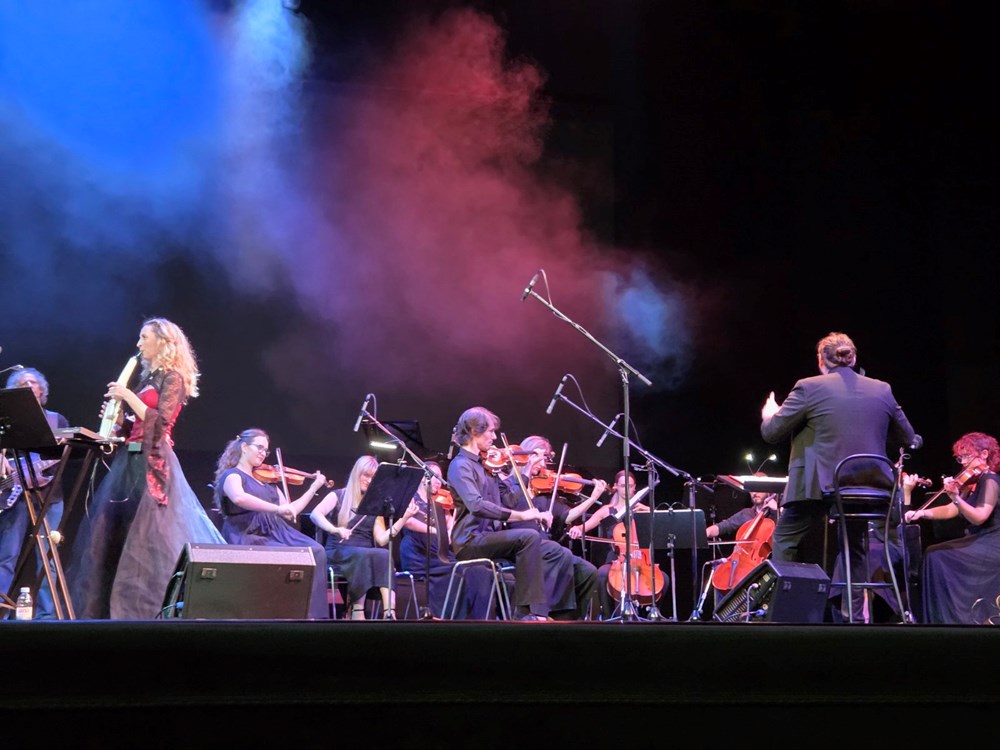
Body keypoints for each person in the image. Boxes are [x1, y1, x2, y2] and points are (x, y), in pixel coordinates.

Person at [67, 318, 226, 620]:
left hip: (154, 461)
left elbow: (160, 422)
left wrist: (127, 396)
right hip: (131, 458)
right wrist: (119, 420)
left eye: (144, 337)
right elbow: (138, 425)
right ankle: (108, 608)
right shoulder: (148, 379)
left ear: (163, 341)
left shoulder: (173, 378)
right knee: (118, 528)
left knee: (149, 536)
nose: (139, 344)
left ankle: (146, 609)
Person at [761, 331, 918, 621]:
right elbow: (910, 438)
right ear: (853, 358)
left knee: (785, 538)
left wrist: (771, 413)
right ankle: (854, 617)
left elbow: (772, 433)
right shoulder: (882, 389)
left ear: (821, 361)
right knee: (854, 544)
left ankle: (784, 616)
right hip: (868, 487)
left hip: (819, 484)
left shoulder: (808, 387)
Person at [446, 407, 553, 621]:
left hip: (488, 538)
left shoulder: (485, 466)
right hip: (470, 540)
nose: (494, 437)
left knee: (546, 548)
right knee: (529, 537)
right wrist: (523, 516)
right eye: (491, 431)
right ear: (475, 431)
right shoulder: (460, 466)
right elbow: (477, 506)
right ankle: (527, 613)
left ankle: (540, 611)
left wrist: (518, 472)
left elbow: (509, 500)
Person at [213, 428, 331, 619]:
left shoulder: (269, 484)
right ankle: (276, 612)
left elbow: (291, 511)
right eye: (259, 447)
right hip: (248, 533)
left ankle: (311, 616)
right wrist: (276, 509)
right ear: (244, 447)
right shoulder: (233, 475)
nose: (263, 453)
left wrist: (313, 487)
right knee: (281, 557)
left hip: (277, 532)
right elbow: (239, 498)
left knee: (316, 551)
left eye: (265, 450)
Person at [902, 431, 1000, 624]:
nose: (963, 463)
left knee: (937, 557)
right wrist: (922, 513)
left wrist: (955, 497)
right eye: (960, 458)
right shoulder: (971, 483)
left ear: (984, 454)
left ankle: (952, 619)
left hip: (993, 542)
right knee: (932, 553)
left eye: (967, 456)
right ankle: (941, 618)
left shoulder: (990, 480)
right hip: (980, 539)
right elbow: (951, 510)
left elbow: (979, 517)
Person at [504, 435, 604, 620]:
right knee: (561, 553)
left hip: (546, 546)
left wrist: (592, 498)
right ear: (526, 456)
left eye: (545, 460)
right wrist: (526, 472)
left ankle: (569, 621)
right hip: (521, 545)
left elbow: (566, 516)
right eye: (538, 458)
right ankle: (541, 615)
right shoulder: (510, 485)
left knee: (588, 572)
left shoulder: (543, 492)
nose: (543, 465)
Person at [309, 455, 418, 619]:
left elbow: (382, 539)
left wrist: (404, 518)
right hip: (338, 552)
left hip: (365, 554)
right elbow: (315, 514)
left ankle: (389, 612)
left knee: (384, 554)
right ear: (356, 473)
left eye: (373, 477)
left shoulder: (375, 505)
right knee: (365, 556)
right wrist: (335, 529)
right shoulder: (338, 496)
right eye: (365, 475)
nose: (369, 480)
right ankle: (357, 611)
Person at [0, 368, 69, 618]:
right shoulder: (7, 422)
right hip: (16, 495)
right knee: (7, 555)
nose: (29, 386)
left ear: (42, 390)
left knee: (47, 558)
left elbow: (63, 457)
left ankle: (46, 616)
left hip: (50, 495)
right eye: (22, 383)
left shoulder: (56, 420)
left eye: (33, 383)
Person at [398, 460, 493, 619]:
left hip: (440, 552)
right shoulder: (411, 496)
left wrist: (451, 525)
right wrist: (437, 531)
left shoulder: (440, 501)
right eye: (435, 477)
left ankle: (479, 619)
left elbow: (449, 529)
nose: (439, 482)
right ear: (423, 477)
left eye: (441, 478)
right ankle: (453, 618)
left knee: (478, 569)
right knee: (461, 570)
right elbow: (408, 522)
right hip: (418, 553)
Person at [567, 470, 657, 619]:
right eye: (622, 486)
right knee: (602, 575)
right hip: (615, 559)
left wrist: (649, 511)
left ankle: (649, 618)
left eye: (630, 486)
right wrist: (576, 529)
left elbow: (663, 522)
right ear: (615, 487)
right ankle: (608, 617)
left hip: (639, 560)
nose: (626, 489)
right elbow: (585, 526)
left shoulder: (641, 510)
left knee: (663, 579)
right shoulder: (606, 510)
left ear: (635, 488)